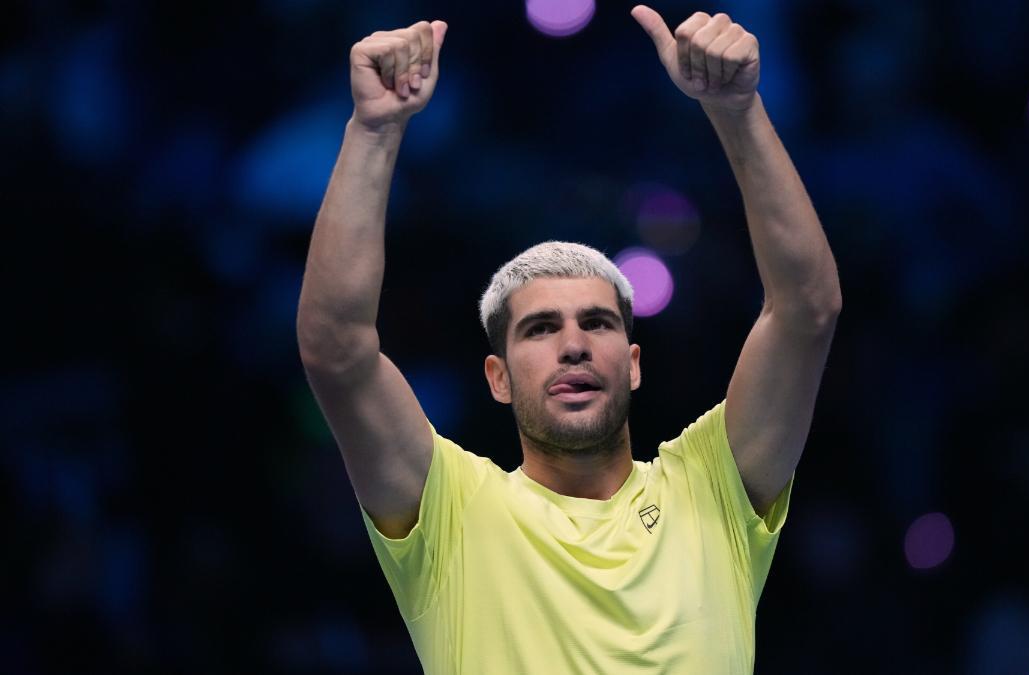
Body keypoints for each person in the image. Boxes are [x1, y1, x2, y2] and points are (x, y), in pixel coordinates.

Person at [296, 5, 841, 673]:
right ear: (497, 376)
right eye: (541, 328)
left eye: (598, 321)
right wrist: (374, 131)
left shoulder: (713, 489)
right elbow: (337, 350)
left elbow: (807, 310)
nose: (574, 344)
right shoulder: (452, 514)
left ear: (634, 364)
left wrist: (738, 111)